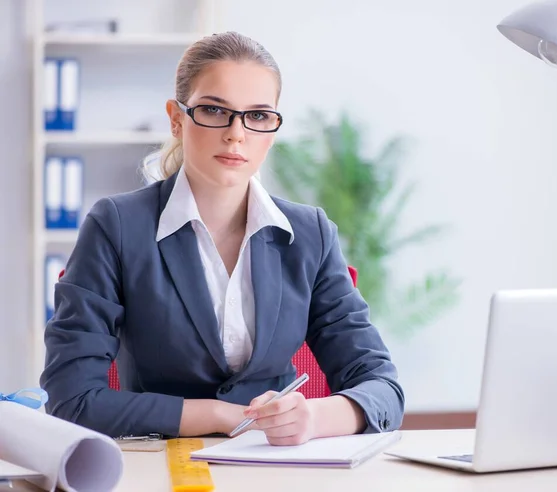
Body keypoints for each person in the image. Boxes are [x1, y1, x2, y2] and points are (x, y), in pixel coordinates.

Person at [40, 31, 404, 446]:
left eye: (259, 116)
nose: (236, 134)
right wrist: (219, 414)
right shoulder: (117, 225)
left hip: (278, 468)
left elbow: (383, 391)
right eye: (214, 110)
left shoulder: (310, 234)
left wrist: (314, 418)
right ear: (176, 119)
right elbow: (71, 398)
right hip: (161, 463)